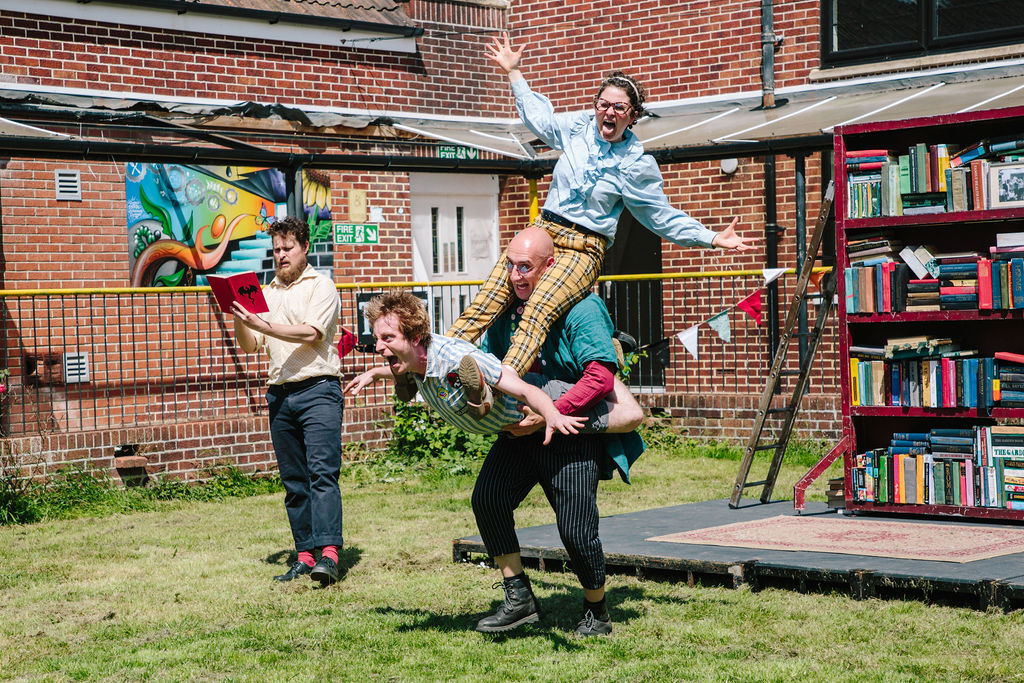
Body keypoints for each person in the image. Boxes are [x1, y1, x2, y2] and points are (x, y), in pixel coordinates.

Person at [445, 33, 757, 411]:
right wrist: (514, 73)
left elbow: (659, 216)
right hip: (544, 229)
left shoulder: (636, 164)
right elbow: (540, 118)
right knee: (492, 293)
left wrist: (710, 238)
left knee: (539, 307)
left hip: (583, 246)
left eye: (619, 108)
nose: (608, 113)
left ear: (633, 115)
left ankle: (499, 389)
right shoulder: (578, 128)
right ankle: (437, 367)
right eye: (603, 104)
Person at [471, 226, 642, 637]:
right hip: (520, 429)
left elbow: (599, 378)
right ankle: (520, 597)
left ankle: (597, 610)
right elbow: (497, 369)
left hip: (570, 432)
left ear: (551, 267)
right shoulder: (506, 309)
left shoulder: (583, 307)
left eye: (525, 267)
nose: (515, 276)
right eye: (510, 266)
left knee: (576, 530)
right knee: (488, 500)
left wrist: (550, 414)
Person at [231, 216, 345, 587]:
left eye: (287, 248)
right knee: (295, 481)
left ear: (304, 248)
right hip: (280, 394)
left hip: (319, 390)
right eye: (275, 249)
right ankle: (304, 555)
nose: (280, 255)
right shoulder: (267, 294)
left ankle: (329, 556)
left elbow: (311, 334)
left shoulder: (321, 286)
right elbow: (251, 345)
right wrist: (239, 316)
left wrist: (262, 325)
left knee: (322, 476)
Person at [344, 291, 588, 445]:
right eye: (377, 338)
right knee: (487, 502)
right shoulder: (414, 361)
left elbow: (525, 391)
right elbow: (401, 367)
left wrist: (553, 414)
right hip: (511, 431)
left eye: (387, 338)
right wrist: (374, 374)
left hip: (546, 403)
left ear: (416, 337)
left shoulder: (458, 358)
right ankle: (478, 396)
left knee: (620, 413)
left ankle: (481, 395)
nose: (377, 347)